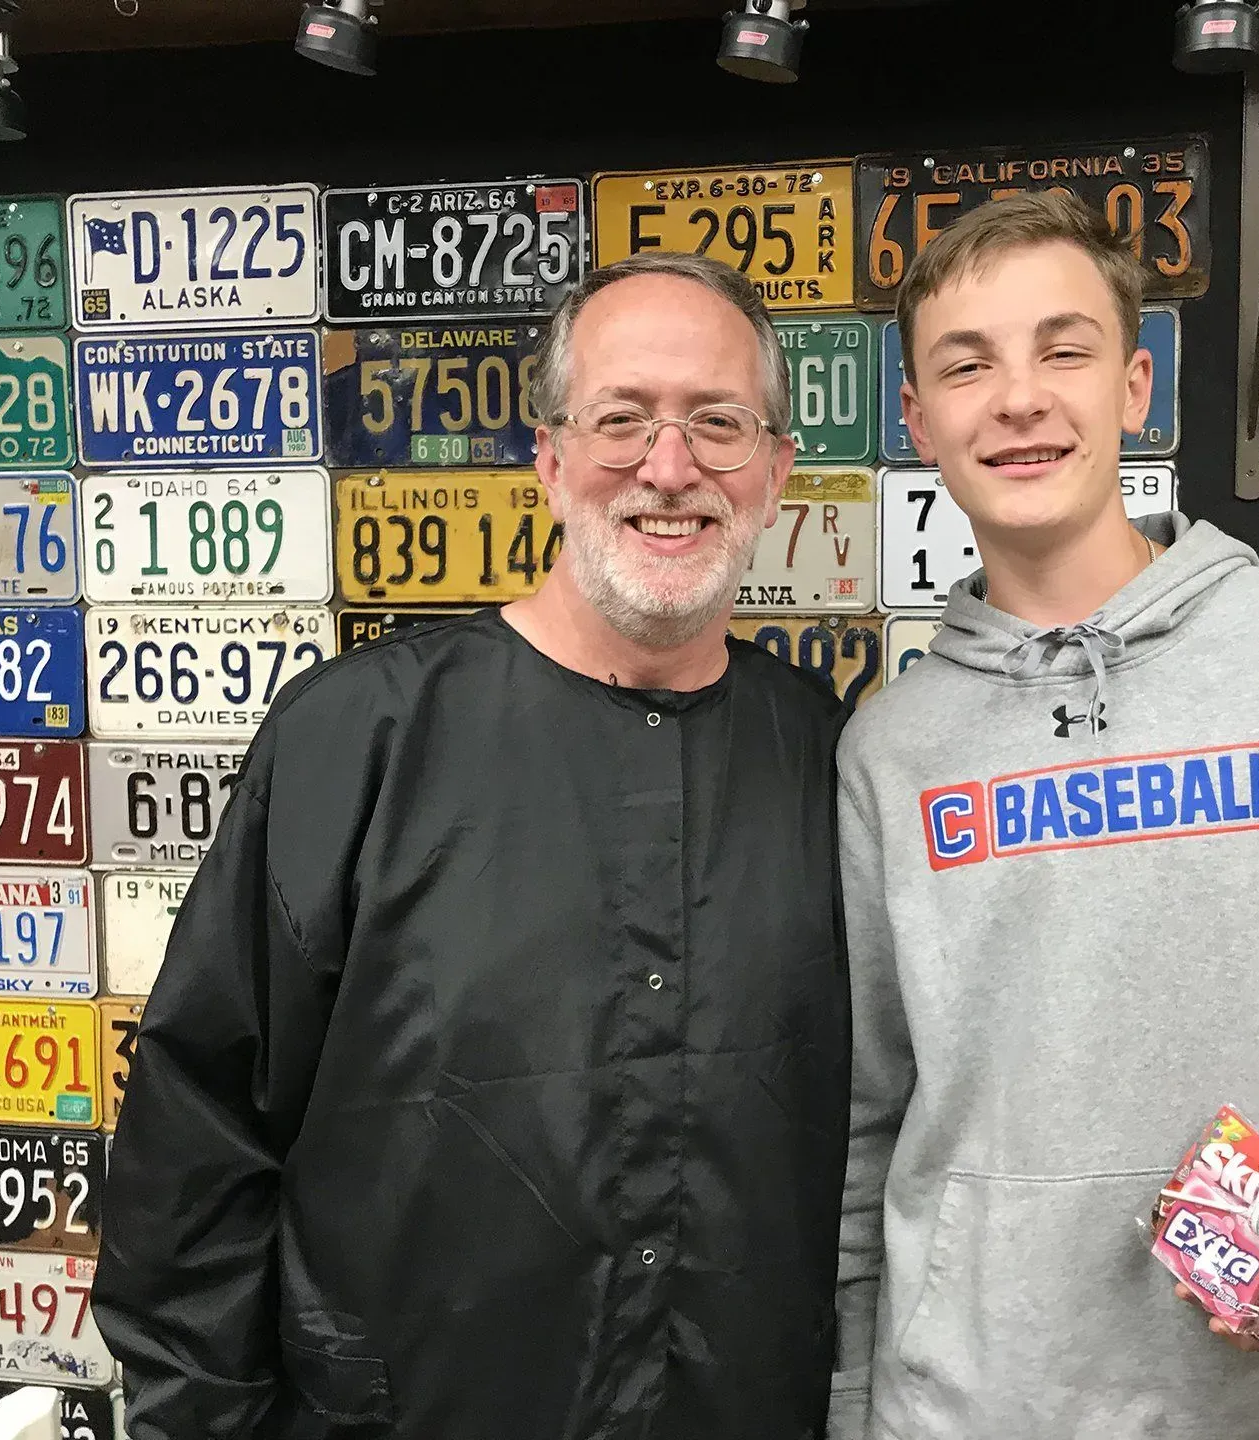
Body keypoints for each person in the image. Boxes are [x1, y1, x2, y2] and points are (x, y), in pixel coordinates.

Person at [94, 252, 852, 1440]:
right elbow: (193, 1138)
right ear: (548, 460)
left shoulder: (828, 760)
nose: (670, 467)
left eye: (719, 424)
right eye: (622, 421)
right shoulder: (356, 738)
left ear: (773, 474)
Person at [827, 192, 1259, 1440]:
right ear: (918, 420)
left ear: (1136, 385)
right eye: (967, 364)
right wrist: (847, 1396)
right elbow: (868, 1114)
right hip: (971, 1408)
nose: (1019, 397)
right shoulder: (890, 749)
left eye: (1063, 349)